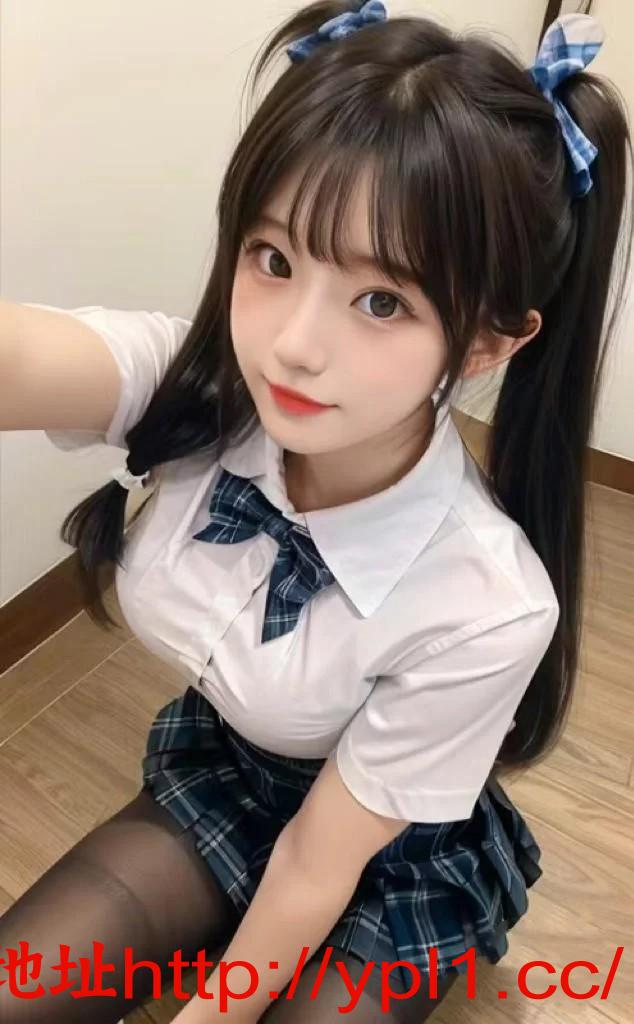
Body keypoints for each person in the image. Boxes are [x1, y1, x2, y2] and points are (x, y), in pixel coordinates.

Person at [0, 2, 631, 1021]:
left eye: (382, 301)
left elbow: (317, 859)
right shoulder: (197, 390)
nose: (291, 345)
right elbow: (26, 357)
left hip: (395, 856)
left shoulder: (489, 602)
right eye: (274, 258)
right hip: (231, 780)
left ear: (487, 342)